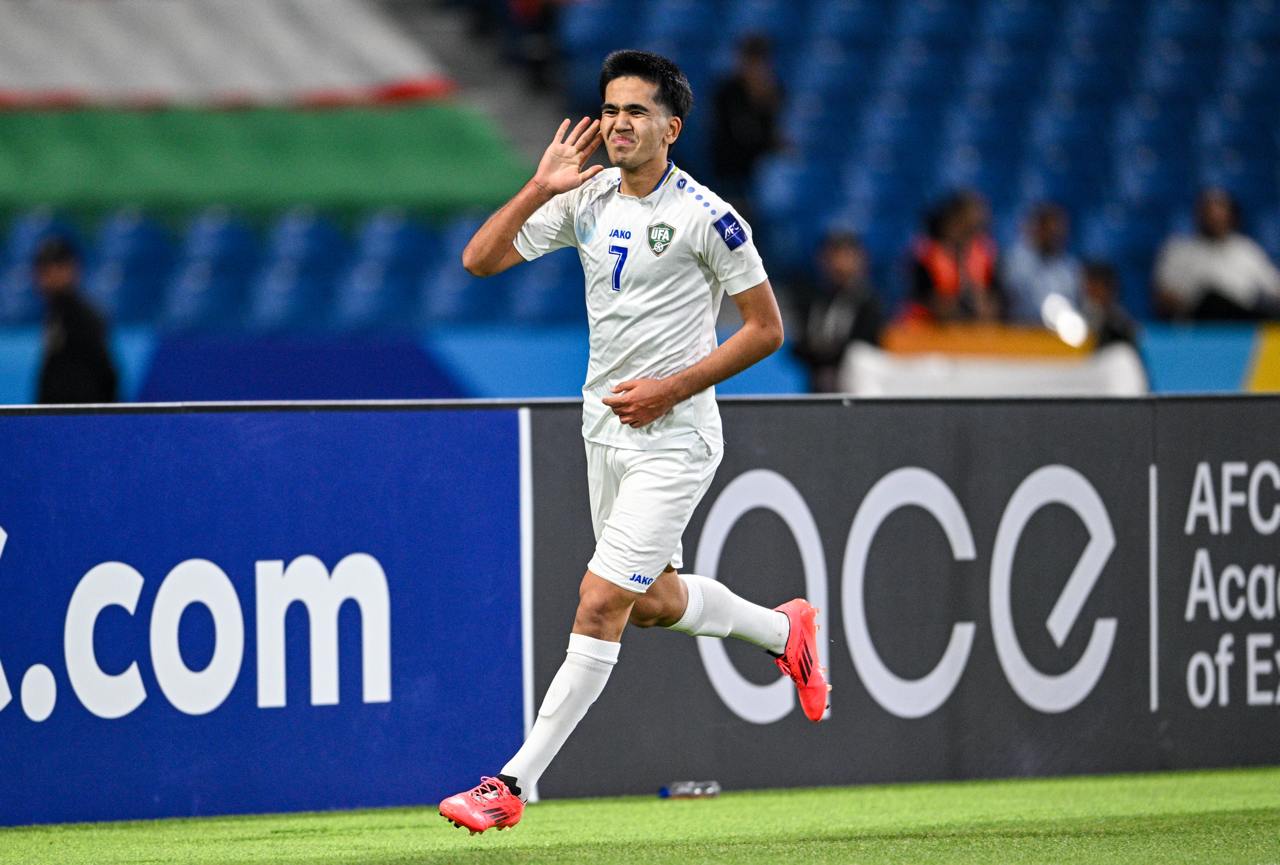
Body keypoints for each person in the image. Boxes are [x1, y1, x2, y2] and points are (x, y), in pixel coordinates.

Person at [439, 49, 829, 835]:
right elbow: (478, 260)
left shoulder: (709, 218)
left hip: (677, 437)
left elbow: (767, 329)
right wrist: (536, 189)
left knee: (600, 597)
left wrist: (672, 387)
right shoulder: (583, 199)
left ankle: (511, 783)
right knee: (650, 602)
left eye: (636, 112)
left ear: (671, 127)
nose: (617, 123)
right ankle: (785, 630)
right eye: (610, 109)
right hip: (604, 431)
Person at [1154, 188, 1280, 320]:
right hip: (1197, 323)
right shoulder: (1178, 249)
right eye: (1209, 212)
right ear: (1199, 215)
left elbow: (1274, 287)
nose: (1214, 217)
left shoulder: (1246, 249)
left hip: (1241, 323)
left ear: (1231, 216)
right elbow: (1163, 295)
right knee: (1212, 300)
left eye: (1220, 212)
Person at [791, 229, 884, 392]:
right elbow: (798, 345)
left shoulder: (869, 303)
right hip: (814, 386)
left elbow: (866, 347)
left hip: (857, 388)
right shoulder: (812, 299)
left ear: (861, 259)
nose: (839, 263)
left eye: (846, 255)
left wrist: (826, 352)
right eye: (833, 255)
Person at [33, 236, 118, 404]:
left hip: (77, 417)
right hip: (60, 416)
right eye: (43, 269)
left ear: (72, 269)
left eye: (56, 267)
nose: (48, 275)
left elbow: (105, 373)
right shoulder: (54, 314)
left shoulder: (84, 317)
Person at [904, 190, 1003, 323]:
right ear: (953, 219)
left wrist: (984, 306)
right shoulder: (925, 252)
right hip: (925, 330)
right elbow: (920, 296)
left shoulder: (985, 252)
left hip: (972, 332)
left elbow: (995, 296)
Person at [710, 34, 783, 205]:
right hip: (730, 171)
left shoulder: (775, 89)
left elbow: (776, 132)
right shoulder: (726, 91)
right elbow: (738, 134)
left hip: (764, 170)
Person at [1001, 203, 1083, 326]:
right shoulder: (1015, 261)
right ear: (1039, 229)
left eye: (1058, 232)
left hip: (1057, 334)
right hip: (1020, 330)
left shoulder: (1070, 268)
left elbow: (1074, 304)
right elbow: (1010, 299)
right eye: (1050, 231)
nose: (1054, 237)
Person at [1081, 261, 1138, 348]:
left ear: (1111, 289)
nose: (1093, 292)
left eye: (1098, 288)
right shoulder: (1077, 317)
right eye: (1090, 287)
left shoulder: (1121, 321)